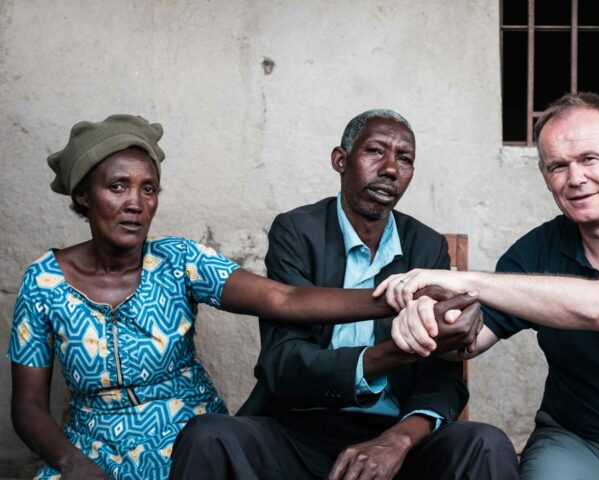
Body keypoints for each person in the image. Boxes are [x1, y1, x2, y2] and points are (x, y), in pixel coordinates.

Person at [7, 114, 467, 480]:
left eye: (149, 189)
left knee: (207, 443)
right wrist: (73, 464)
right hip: (92, 449)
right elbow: (28, 406)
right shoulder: (42, 283)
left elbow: (285, 300)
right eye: (117, 187)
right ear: (84, 196)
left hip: (182, 438)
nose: (136, 203)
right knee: (215, 441)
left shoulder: (178, 260)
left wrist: (403, 296)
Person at [375, 93, 599, 479]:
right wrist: (426, 323)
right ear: (545, 176)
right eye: (557, 166)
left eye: (589, 159)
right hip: (574, 442)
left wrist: (462, 277)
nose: (575, 178)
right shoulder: (534, 250)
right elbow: (471, 341)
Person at [170, 109, 519, 480]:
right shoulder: (297, 232)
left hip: (395, 433)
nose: (390, 168)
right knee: (209, 435)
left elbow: (442, 378)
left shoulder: (425, 245)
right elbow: (283, 363)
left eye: (405, 159)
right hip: (299, 433)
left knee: (485, 443)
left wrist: (398, 440)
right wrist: (390, 354)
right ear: (341, 160)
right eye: (375, 151)